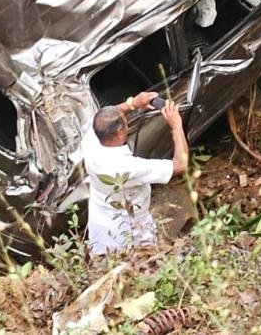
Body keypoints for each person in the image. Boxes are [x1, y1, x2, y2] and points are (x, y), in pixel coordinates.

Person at [81, 90, 188, 256]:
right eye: (125, 123)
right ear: (120, 133)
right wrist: (176, 125)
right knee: (139, 266)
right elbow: (180, 164)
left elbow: (103, 118)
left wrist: (133, 104)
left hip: (101, 231)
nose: (128, 125)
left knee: (102, 266)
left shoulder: (90, 143)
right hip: (132, 234)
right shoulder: (130, 168)